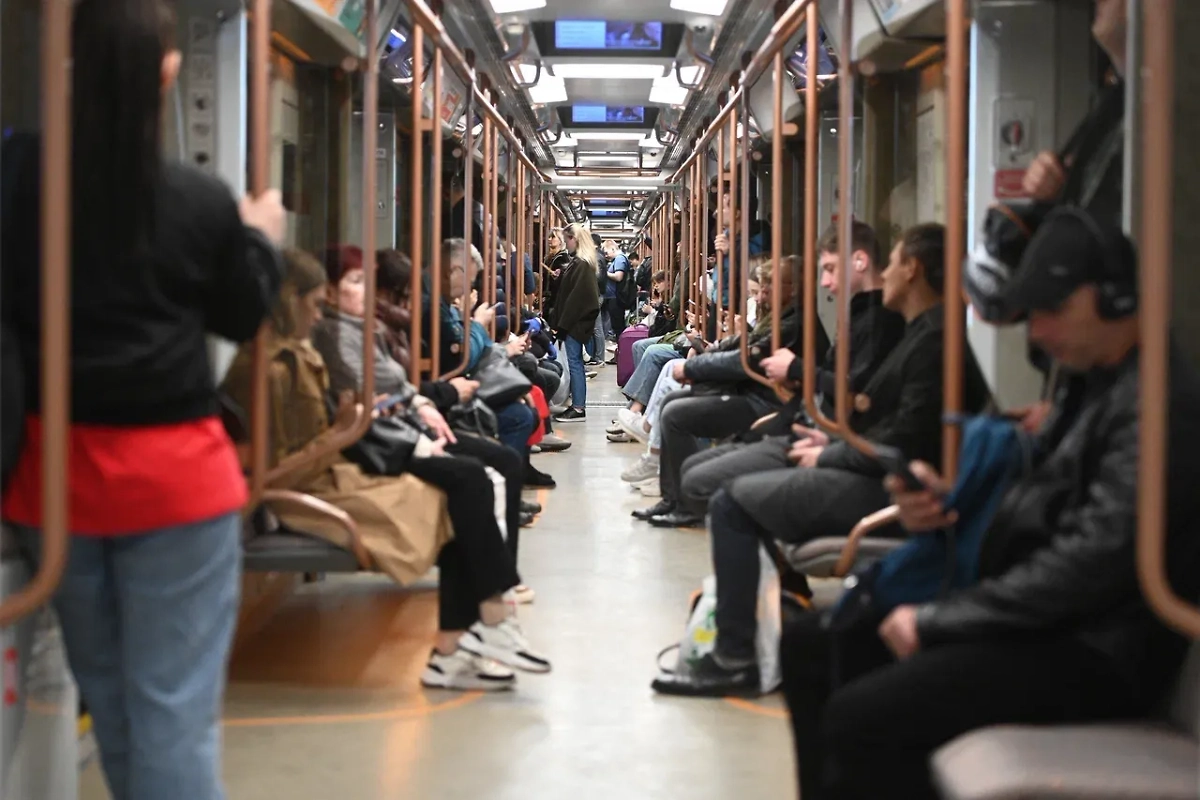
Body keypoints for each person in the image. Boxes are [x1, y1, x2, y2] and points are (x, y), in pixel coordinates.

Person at [781, 209, 1200, 800]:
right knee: (813, 644)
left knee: (863, 717)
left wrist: (942, 618)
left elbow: (1090, 565)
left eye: (1051, 311)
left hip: (1094, 647)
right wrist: (949, 503)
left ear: (1110, 298)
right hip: (1047, 620)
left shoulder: (1156, 407)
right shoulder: (1087, 384)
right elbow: (1045, 503)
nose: (1038, 333)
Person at [1, 0, 284, 796]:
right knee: (173, 716)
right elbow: (239, 315)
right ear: (168, 71)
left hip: (55, 479)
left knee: (114, 705)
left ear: (69, 65)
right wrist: (259, 238)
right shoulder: (195, 200)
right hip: (174, 483)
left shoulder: (18, 175)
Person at [654, 223, 990, 695]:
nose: (887, 273)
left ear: (912, 269)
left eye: (894, 263)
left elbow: (902, 441)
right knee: (725, 489)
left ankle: (735, 657)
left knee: (730, 503)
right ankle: (762, 615)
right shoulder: (922, 334)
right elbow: (878, 416)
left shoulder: (930, 342)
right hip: (861, 461)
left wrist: (832, 451)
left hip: (888, 486)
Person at [224, 250, 551, 691]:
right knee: (464, 486)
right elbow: (279, 468)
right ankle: (483, 624)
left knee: (465, 486)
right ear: (291, 301)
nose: (319, 315)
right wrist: (344, 430)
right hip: (315, 488)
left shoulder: (301, 353)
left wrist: (354, 423)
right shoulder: (273, 368)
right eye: (315, 304)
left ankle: (467, 637)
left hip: (335, 468)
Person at [548, 223, 602, 422]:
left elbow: (575, 299)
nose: (565, 244)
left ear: (574, 239)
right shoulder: (581, 264)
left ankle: (578, 407)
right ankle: (578, 405)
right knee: (575, 362)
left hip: (574, 324)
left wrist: (562, 325)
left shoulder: (581, 265)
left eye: (566, 240)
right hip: (575, 323)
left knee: (575, 363)